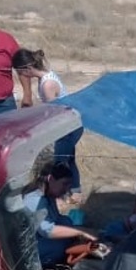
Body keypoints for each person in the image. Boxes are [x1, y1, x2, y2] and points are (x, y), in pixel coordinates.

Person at [13, 48, 83, 200]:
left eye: (20, 73)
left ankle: (64, 193)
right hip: (71, 123)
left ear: (26, 69)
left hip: (66, 126)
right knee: (68, 158)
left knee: (60, 162)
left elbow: (54, 113)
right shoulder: (47, 77)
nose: (20, 76)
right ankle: (75, 191)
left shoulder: (47, 85)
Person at [22, 161, 97, 270]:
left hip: (39, 240)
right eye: (64, 184)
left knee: (66, 222)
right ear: (51, 179)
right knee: (60, 247)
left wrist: (76, 232)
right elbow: (47, 230)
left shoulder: (49, 196)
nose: (66, 189)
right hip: (30, 248)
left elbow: (58, 220)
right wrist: (79, 232)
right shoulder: (35, 200)